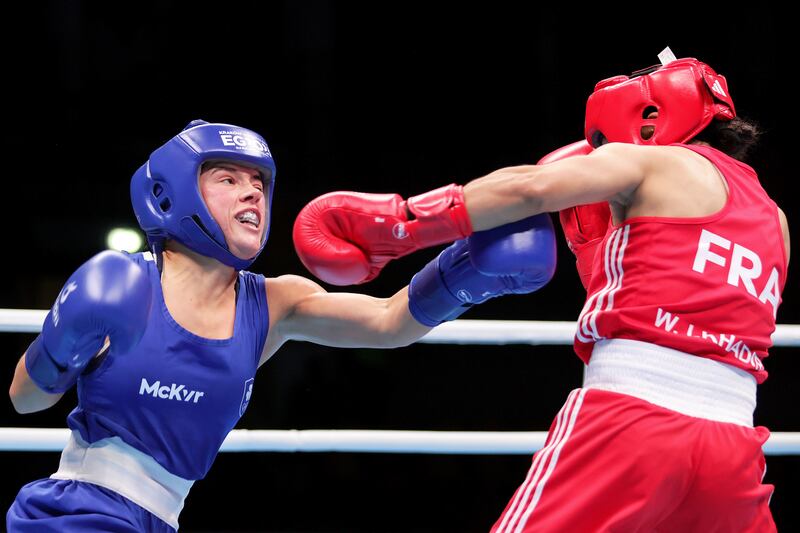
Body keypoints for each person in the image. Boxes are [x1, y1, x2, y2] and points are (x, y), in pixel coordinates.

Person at [292, 54, 789, 531]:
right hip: (733, 449)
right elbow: (692, 300)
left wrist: (401, 224)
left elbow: (530, 188)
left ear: (649, 118)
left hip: (631, 420)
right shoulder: (777, 221)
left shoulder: (654, 163)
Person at [6, 119, 557, 532]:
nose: (252, 192)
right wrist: (59, 348)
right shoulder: (125, 284)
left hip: (160, 519)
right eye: (228, 178)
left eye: (259, 182)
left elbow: (389, 322)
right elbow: (24, 401)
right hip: (74, 511)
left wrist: (466, 272)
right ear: (170, 193)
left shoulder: (273, 303)